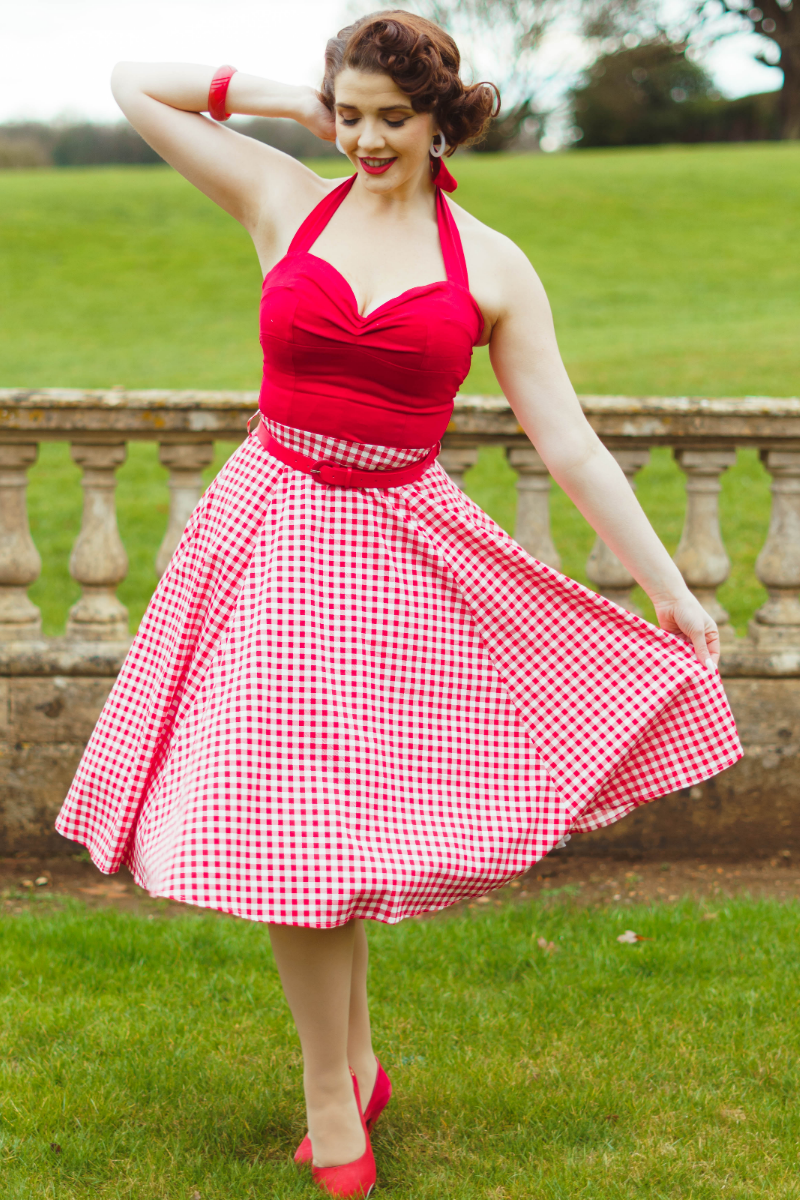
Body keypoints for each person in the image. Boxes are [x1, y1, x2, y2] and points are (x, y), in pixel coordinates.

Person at [56, 11, 742, 1197]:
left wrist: (667, 587)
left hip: (397, 556)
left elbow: (568, 444)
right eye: (350, 116)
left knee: (336, 831)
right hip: (270, 543)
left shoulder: (492, 265)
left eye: (390, 118)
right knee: (299, 827)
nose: (365, 141)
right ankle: (333, 1087)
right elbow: (133, 83)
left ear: (439, 120)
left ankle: (348, 1072)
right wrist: (292, 100)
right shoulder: (283, 200)